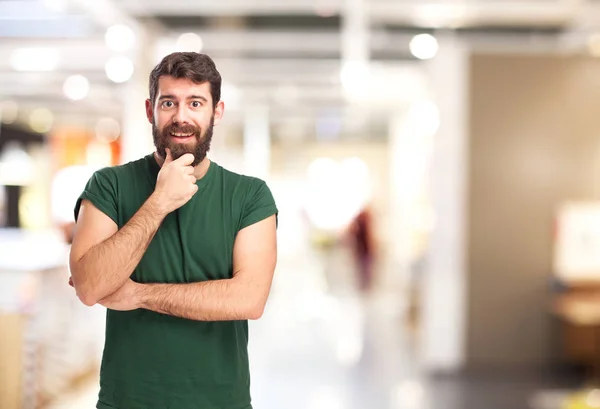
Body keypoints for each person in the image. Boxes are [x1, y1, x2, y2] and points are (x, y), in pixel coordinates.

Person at [68, 52, 278, 409]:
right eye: (169, 102)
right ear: (151, 110)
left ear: (217, 111)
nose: (181, 117)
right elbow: (89, 286)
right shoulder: (110, 186)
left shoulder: (250, 195)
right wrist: (159, 202)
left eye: (195, 102)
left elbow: (249, 299)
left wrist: (138, 295)